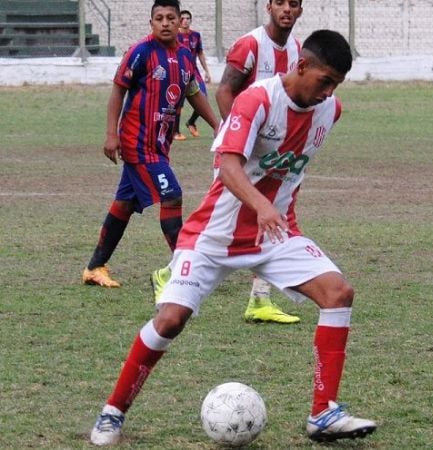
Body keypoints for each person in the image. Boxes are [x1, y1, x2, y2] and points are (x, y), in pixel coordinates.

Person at [89, 29, 377, 447]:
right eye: (325, 80)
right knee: (170, 320)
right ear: (302, 66)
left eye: (336, 85)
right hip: (214, 236)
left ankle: (324, 412)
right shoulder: (256, 100)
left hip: (275, 235)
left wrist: (270, 210)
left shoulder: (329, 110)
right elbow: (227, 166)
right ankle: (112, 412)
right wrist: (261, 205)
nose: (328, 92)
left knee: (338, 293)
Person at [152, 0, 304, 324]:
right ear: (269, 6)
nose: (287, 9)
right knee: (218, 227)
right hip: (239, 153)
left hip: (271, 158)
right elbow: (225, 92)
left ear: (301, 10)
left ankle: (259, 300)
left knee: (270, 217)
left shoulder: (297, 52)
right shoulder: (250, 45)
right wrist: (240, 138)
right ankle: (170, 274)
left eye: (294, 3)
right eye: (281, 2)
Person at [81, 0, 218, 288]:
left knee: (125, 203)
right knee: (172, 195)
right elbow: (119, 90)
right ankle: (185, 269)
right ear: (151, 23)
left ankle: (95, 267)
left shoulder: (184, 55)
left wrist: (218, 126)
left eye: (171, 17)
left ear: (180, 21)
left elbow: (193, 92)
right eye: (159, 18)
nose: (165, 23)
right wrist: (111, 134)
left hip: (160, 146)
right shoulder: (140, 52)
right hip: (137, 142)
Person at [177, 9, 212, 138]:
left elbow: (200, 54)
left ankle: (191, 122)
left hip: (194, 71)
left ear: (190, 20)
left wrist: (207, 71)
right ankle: (175, 132)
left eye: (187, 18)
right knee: (177, 102)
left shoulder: (196, 35)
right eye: (182, 18)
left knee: (203, 98)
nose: (185, 21)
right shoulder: (174, 35)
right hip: (179, 71)